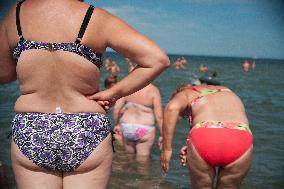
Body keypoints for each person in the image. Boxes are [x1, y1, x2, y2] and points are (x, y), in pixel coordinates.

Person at [0, 0, 170, 188]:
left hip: (32, 128)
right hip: (85, 127)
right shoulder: (96, 17)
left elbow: (4, 73)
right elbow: (157, 60)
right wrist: (113, 93)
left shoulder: (16, 13)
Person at [160, 84, 253, 189]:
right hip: (239, 138)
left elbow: (172, 108)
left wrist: (166, 150)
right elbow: (216, 117)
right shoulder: (226, 90)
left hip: (205, 138)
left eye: (185, 114)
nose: (186, 116)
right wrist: (189, 145)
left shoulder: (186, 93)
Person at [113, 66, 163, 159]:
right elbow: (159, 117)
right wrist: (162, 134)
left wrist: (116, 124)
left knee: (128, 158)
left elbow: (117, 108)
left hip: (127, 126)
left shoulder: (127, 88)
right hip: (145, 128)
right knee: (143, 161)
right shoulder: (153, 90)